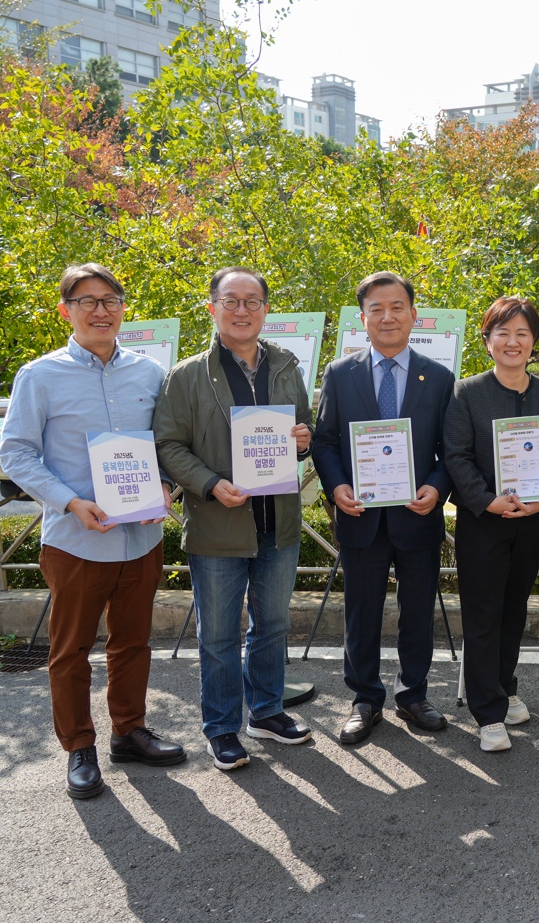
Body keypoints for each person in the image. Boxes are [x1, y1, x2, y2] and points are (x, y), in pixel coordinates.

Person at [0, 263, 185, 800]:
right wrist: (70, 501)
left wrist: (166, 486)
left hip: (141, 537)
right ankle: (79, 746)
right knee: (71, 651)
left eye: (110, 300)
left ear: (123, 308)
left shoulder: (150, 372)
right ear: (66, 311)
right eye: (87, 301)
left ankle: (129, 731)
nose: (101, 310)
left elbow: (168, 445)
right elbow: (16, 452)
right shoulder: (40, 375)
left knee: (133, 643)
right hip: (76, 538)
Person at [154, 266, 315, 770]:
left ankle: (266, 711)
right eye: (231, 301)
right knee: (218, 634)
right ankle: (221, 728)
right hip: (216, 522)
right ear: (213, 308)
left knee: (272, 625)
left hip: (278, 521)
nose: (242, 310)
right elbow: (168, 445)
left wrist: (303, 441)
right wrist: (208, 483)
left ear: (265, 309)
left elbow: (303, 428)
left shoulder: (286, 366)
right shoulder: (186, 375)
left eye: (252, 301)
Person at [315, 271, 455, 744]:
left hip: (417, 515)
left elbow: (451, 450)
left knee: (417, 611)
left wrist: (436, 487)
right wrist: (336, 487)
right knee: (361, 613)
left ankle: (413, 694)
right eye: (377, 308)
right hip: (361, 516)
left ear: (414, 315)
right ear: (363, 318)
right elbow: (325, 441)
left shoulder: (439, 377)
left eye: (397, 307)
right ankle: (365, 699)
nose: (387, 316)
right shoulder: (340, 373)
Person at [443, 297, 539, 752]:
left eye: (522, 333)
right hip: (484, 520)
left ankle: (504, 686)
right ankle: (488, 713)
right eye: (503, 332)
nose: (512, 341)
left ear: (534, 342)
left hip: (532, 519)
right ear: (487, 340)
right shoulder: (466, 392)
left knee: (514, 608)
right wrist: (487, 501)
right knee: (483, 614)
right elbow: (456, 455)